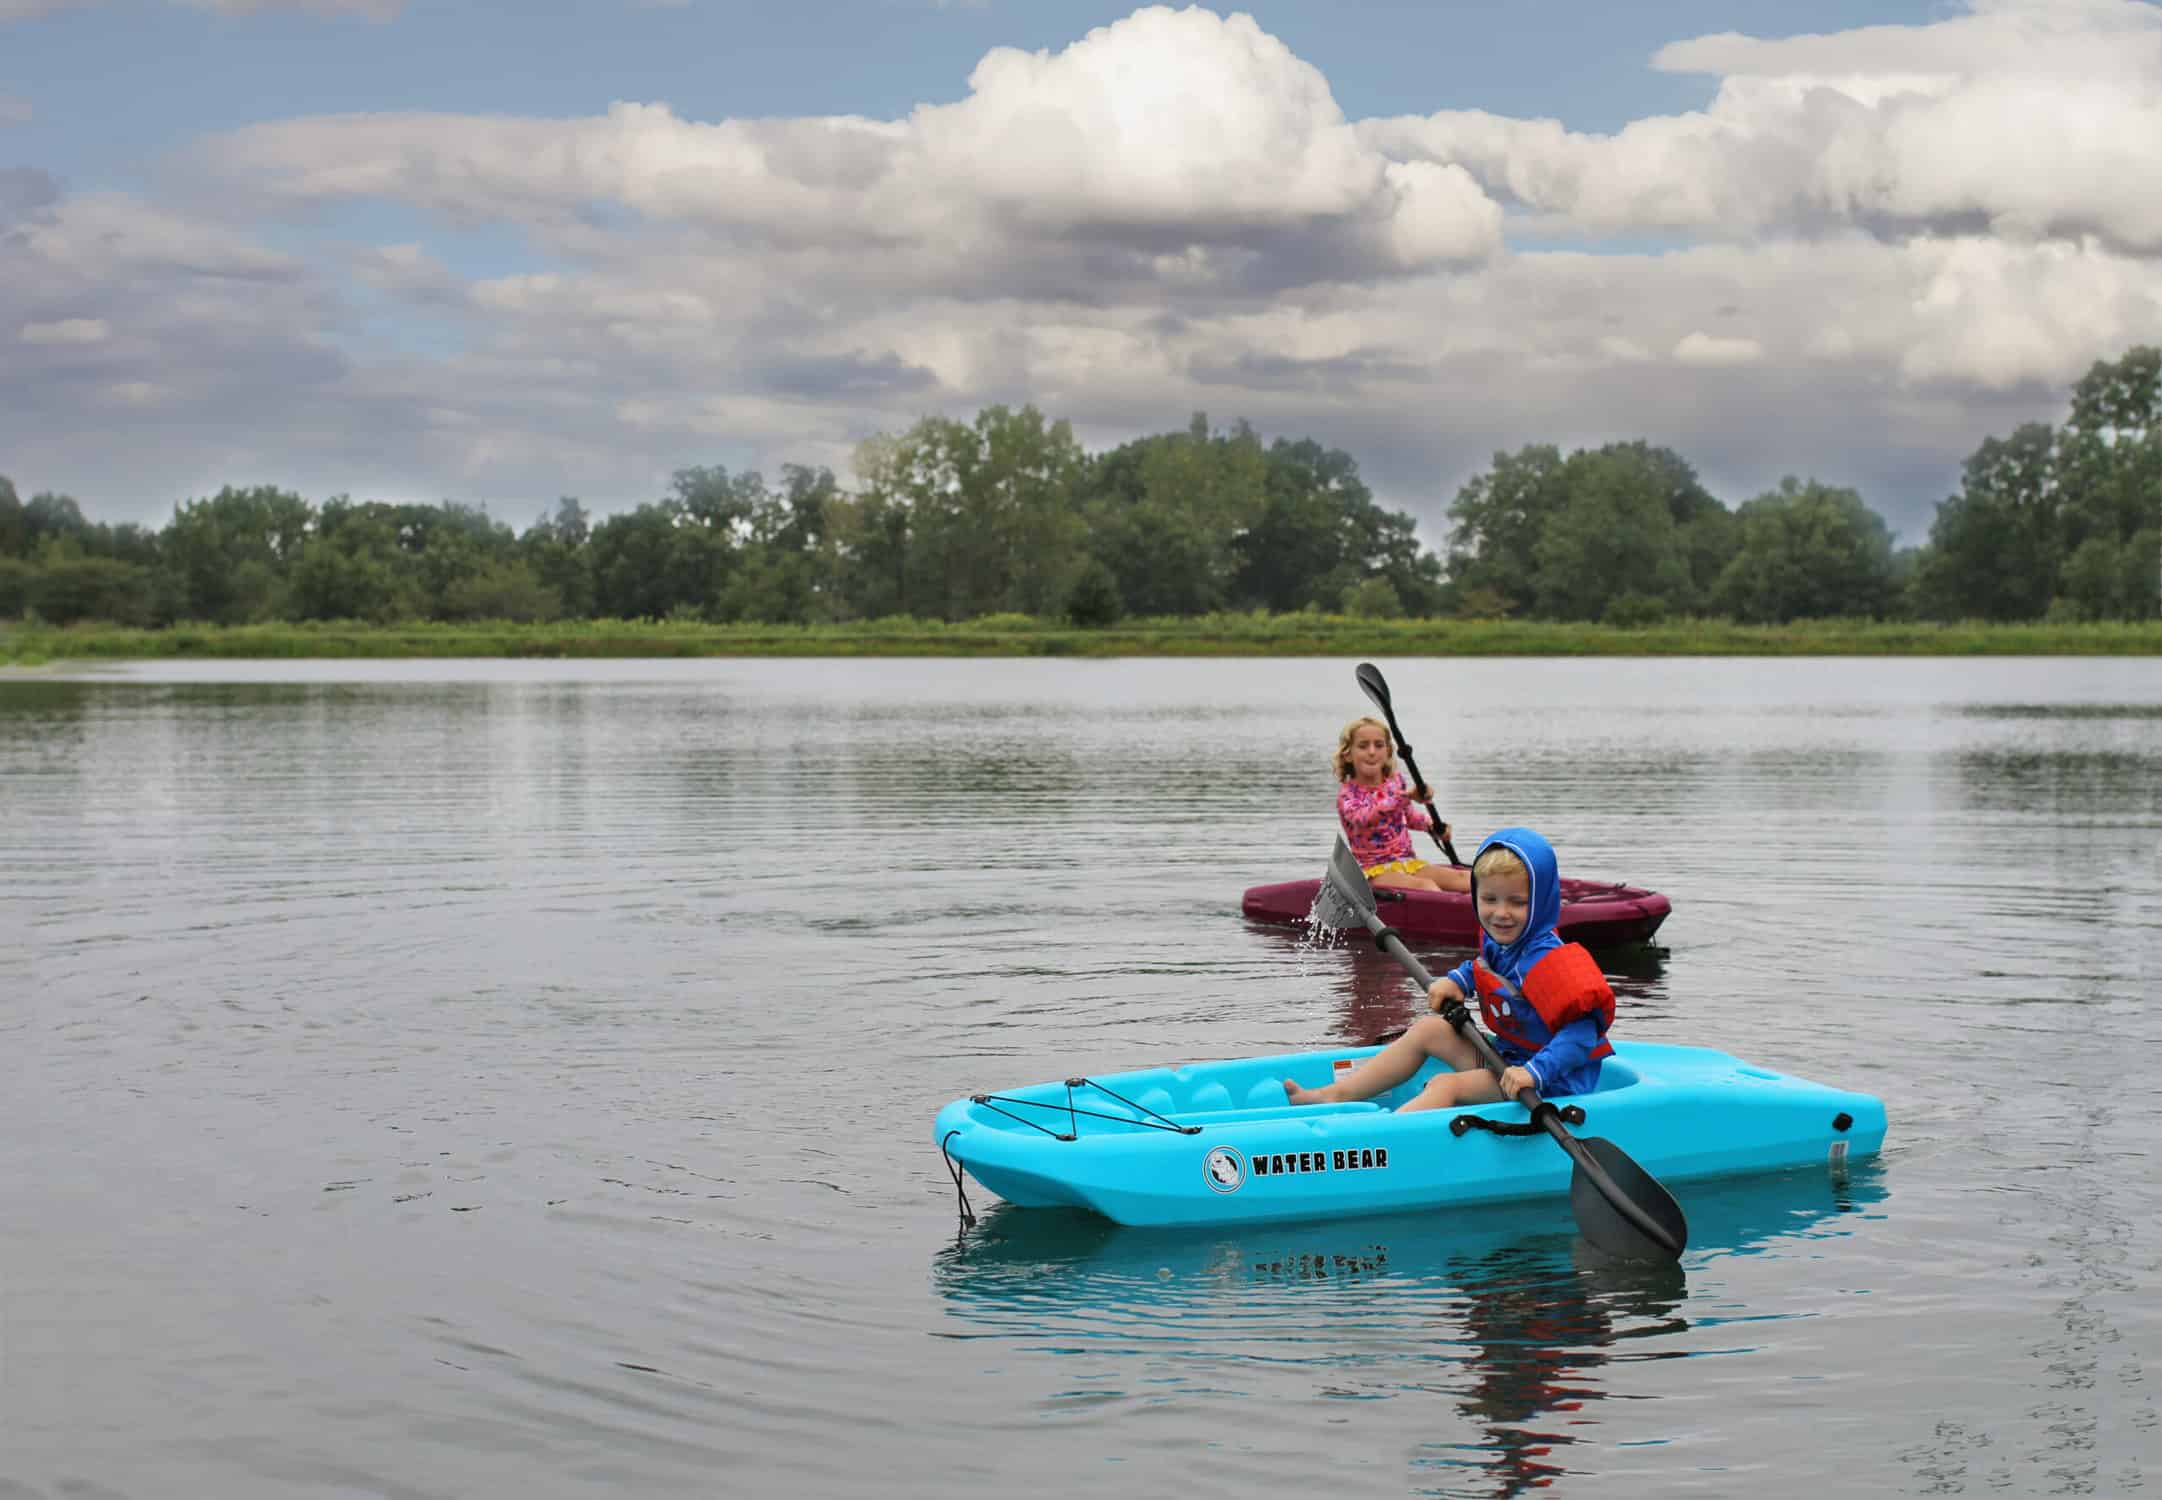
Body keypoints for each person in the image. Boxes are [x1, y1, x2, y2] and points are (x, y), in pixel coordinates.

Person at [1286, 827, 1615, 1112]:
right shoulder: (1502, 940)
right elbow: (1483, 968)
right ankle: (1335, 1095)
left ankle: (1391, 1136)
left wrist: (1534, 1073)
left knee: (1446, 1085)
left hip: (1551, 1082)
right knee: (1430, 1029)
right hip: (1509, 1057)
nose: (1501, 913)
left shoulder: (1549, 962)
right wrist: (1458, 981)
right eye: (1489, 899)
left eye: (1517, 902)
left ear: (1542, 902)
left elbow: (1583, 1033)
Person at [1334, 716, 1470, 894]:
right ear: (1348, 754)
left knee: (1467, 879)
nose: (1372, 752)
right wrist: (1405, 797)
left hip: (1408, 863)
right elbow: (1364, 818)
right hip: (1373, 871)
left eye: (1379, 745)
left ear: (1388, 751)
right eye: (1363, 746)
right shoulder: (1347, 794)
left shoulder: (1395, 782)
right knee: (1426, 887)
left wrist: (1433, 826)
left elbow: (1410, 818)